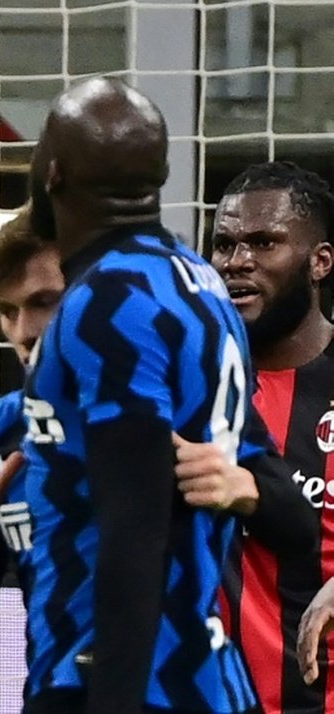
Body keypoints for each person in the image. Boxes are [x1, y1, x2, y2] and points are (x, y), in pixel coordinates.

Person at [0, 77, 272, 714]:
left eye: (43, 304)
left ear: (52, 175)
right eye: (6, 311)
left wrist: (246, 486)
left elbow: (135, 539)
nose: (26, 330)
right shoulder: (2, 433)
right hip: (92, 682)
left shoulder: (116, 303)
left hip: (137, 688)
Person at [208, 161, 334, 712]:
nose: (238, 262)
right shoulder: (190, 388)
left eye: (263, 243)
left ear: (320, 262)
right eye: (225, 244)